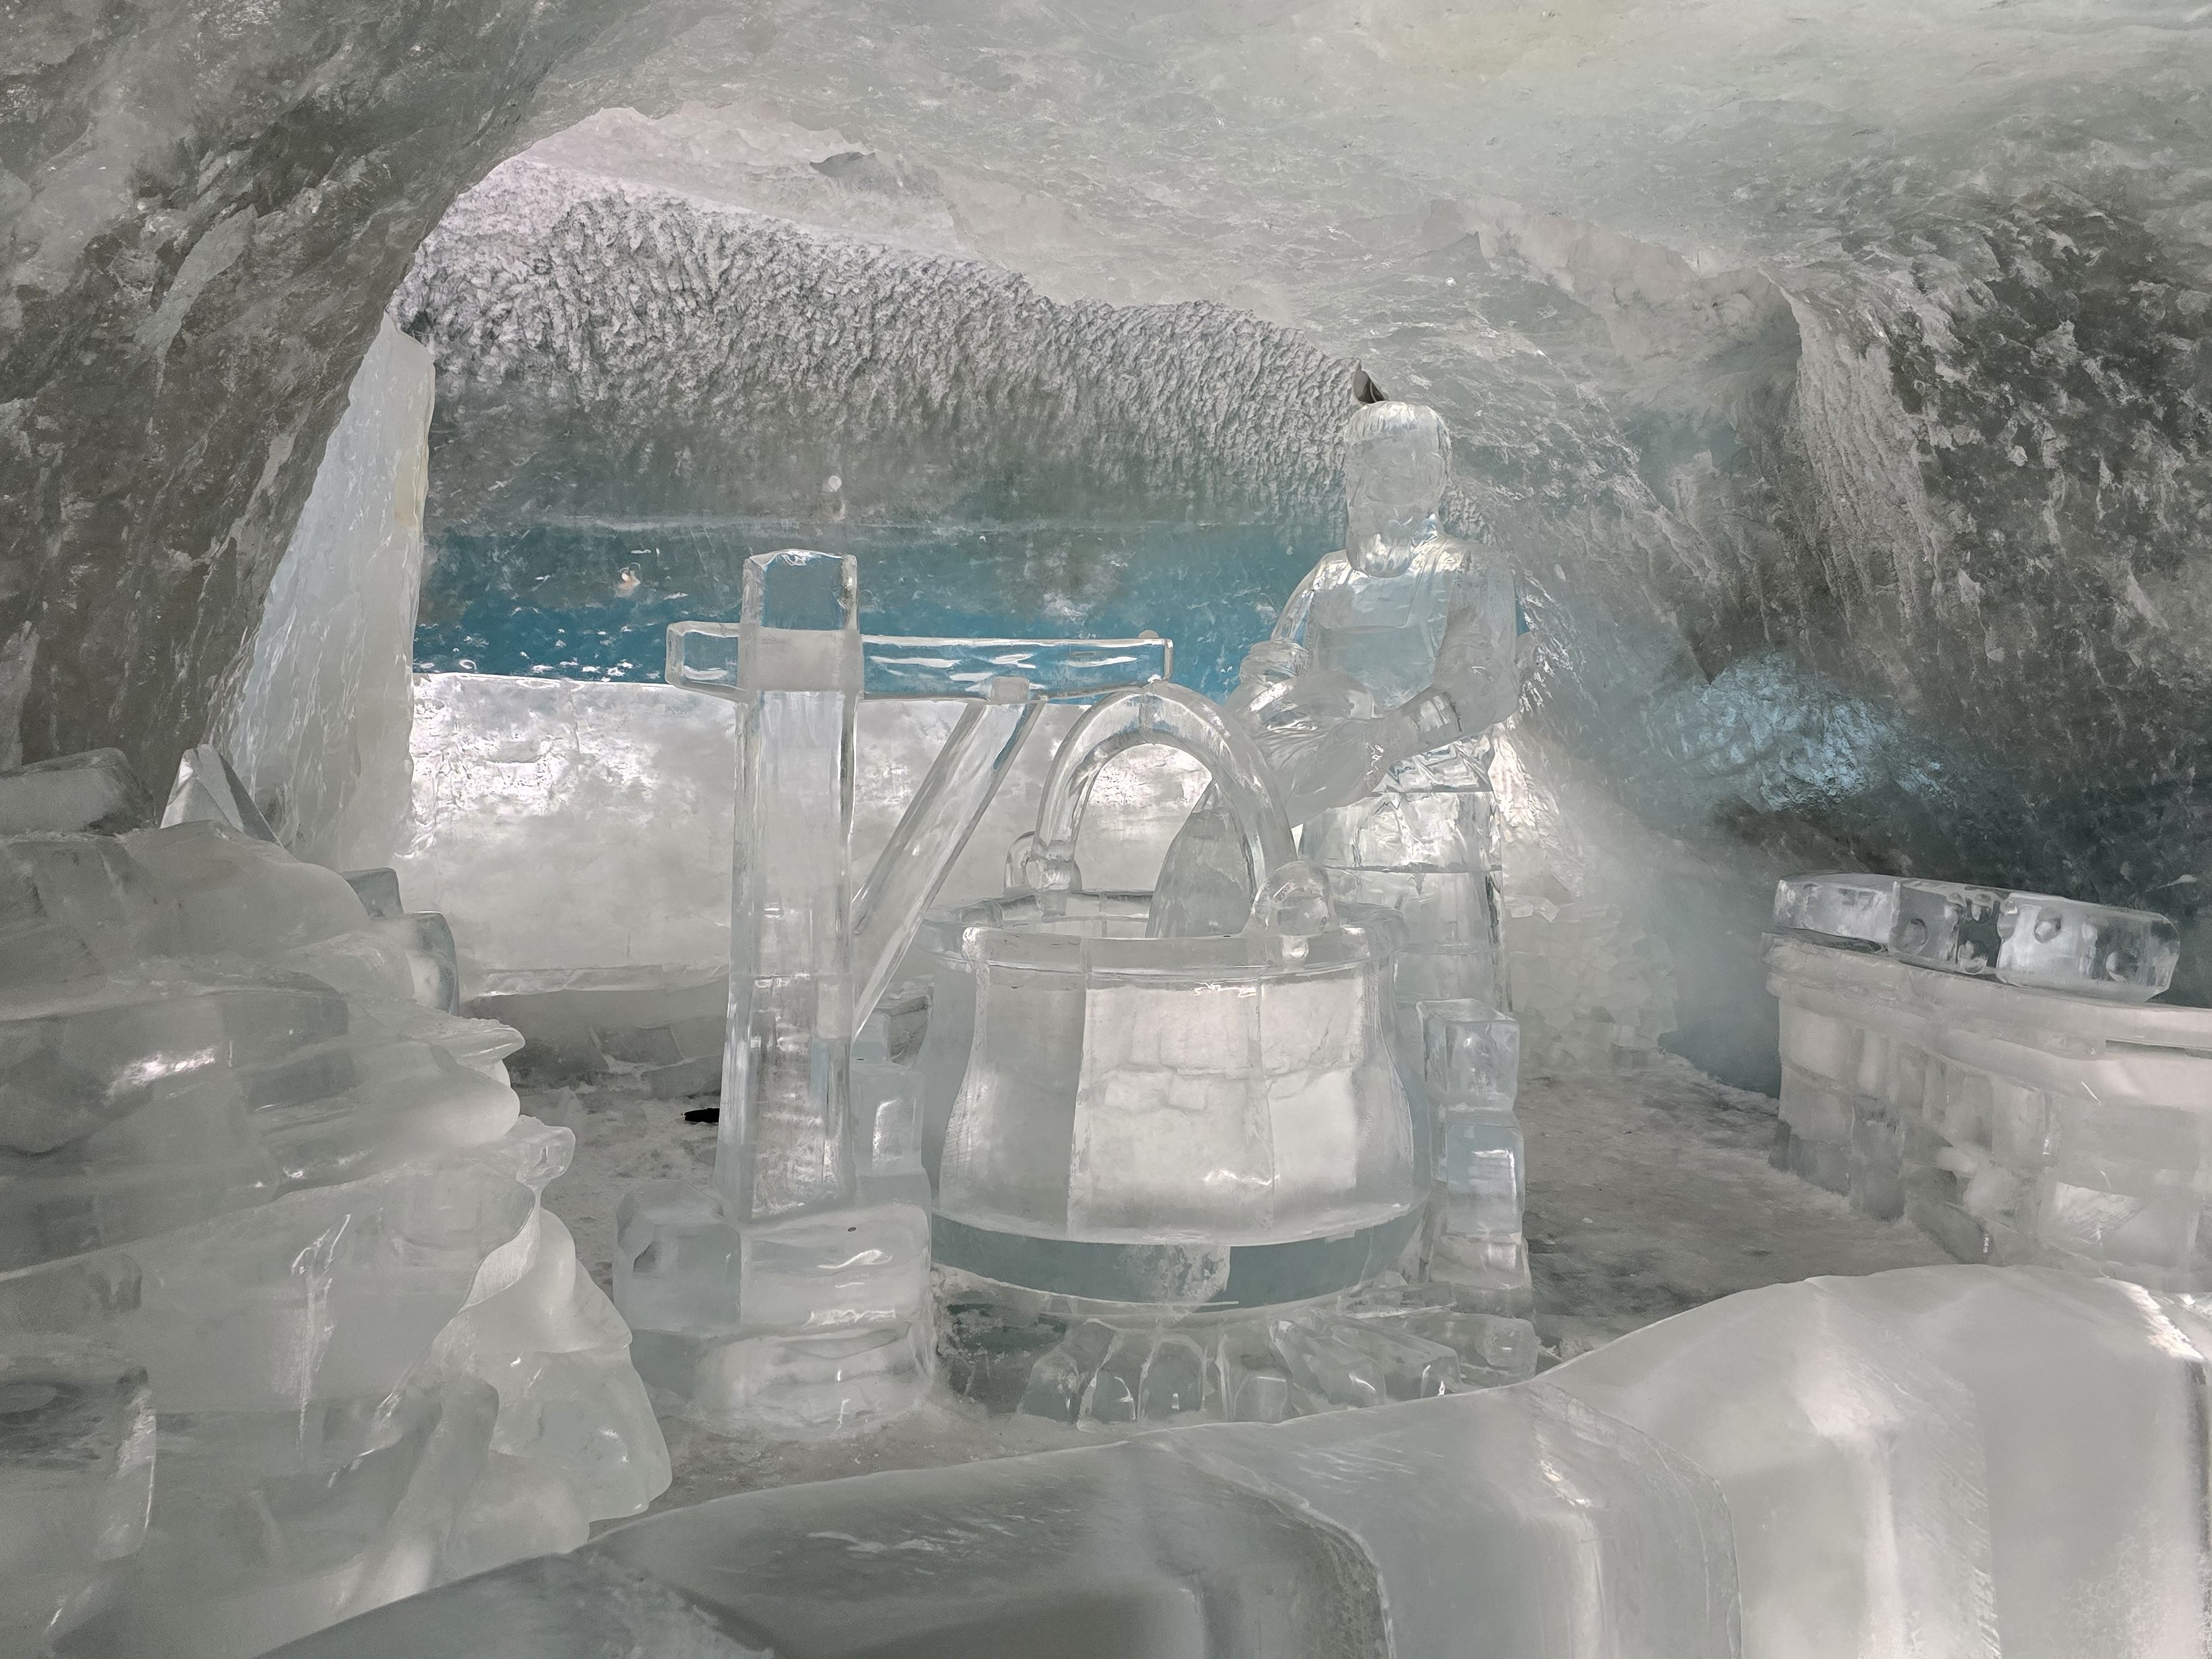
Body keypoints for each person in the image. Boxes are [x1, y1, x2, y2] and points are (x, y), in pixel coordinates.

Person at [1153, 397, 1521, 1015]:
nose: (1394, 475)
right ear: (1352, 475)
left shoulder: (1467, 568)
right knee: (1340, 969)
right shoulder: (1327, 579)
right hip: (1338, 804)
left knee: (1445, 982)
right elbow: (1279, 667)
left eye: (1412, 459)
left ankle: (1462, 1104)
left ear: (1440, 473)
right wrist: (1247, 719)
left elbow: (1481, 682)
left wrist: (1393, 735)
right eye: (1375, 460)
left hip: (1436, 811)